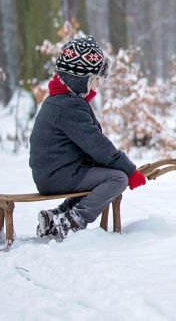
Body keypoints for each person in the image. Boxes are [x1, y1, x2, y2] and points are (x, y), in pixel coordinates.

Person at [29, 36, 147, 241]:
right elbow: (97, 146)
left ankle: (56, 216)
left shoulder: (58, 101)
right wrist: (129, 171)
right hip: (58, 175)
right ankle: (73, 220)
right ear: (80, 79)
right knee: (117, 178)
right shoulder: (70, 107)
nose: (98, 85)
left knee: (103, 175)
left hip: (52, 173)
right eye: (95, 79)